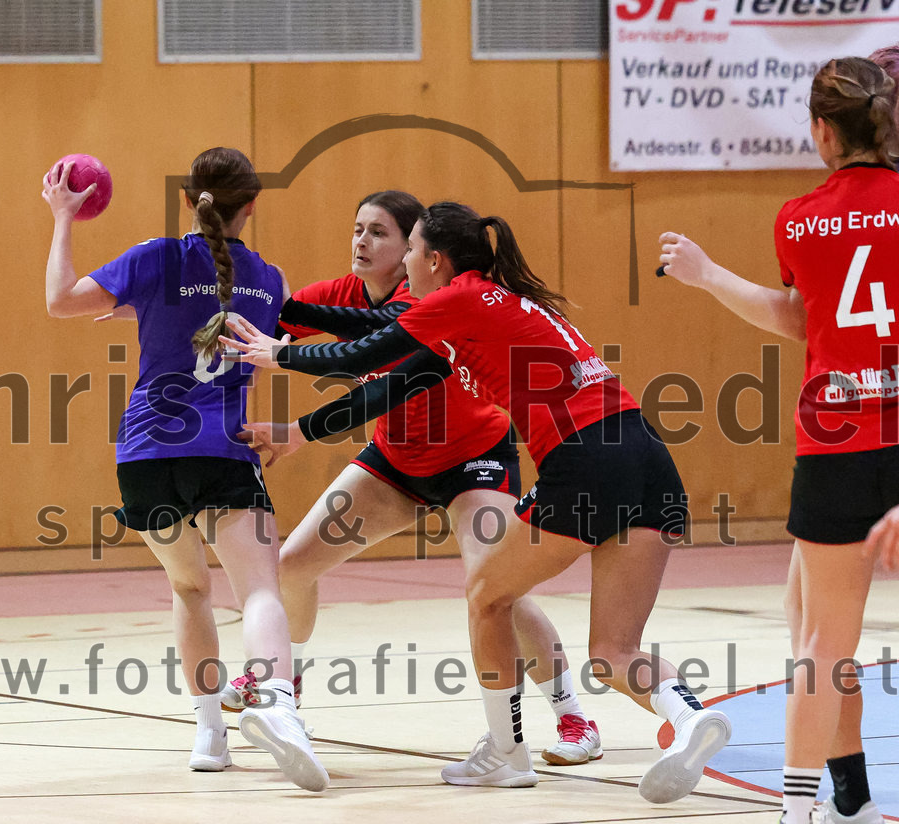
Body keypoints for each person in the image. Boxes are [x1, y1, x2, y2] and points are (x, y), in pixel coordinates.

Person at [220, 201, 731, 802]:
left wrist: (276, 352)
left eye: (408, 246)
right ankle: (691, 717)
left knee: (489, 593)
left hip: (581, 457)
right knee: (613, 652)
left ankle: (507, 752)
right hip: (647, 456)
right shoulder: (502, 299)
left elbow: (360, 357)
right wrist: (282, 304)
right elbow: (382, 350)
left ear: (435, 260)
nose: (405, 258)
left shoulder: (457, 297)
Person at [41, 147, 329, 792]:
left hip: (146, 457)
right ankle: (278, 702)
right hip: (224, 451)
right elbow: (225, 314)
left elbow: (61, 301)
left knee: (190, 589)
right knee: (258, 589)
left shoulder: (152, 259)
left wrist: (64, 216)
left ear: (189, 198)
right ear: (251, 204)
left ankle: (208, 732)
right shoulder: (269, 278)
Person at [658, 57, 897, 824]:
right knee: (810, 618)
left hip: (836, 441)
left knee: (821, 638)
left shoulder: (799, 217)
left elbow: (799, 317)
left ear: (823, 130)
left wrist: (704, 276)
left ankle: (799, 811)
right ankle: (851, 794)